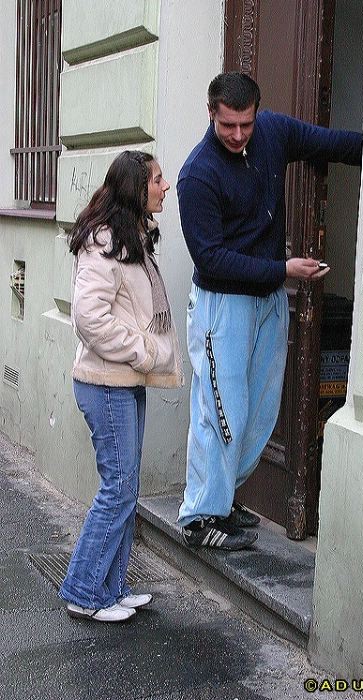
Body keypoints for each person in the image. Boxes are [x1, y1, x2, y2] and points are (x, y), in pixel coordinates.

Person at [177, 72, 363, 551]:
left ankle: (223, 499)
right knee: (222, 413)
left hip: (269, 300)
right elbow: (210, 258)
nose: (238, 135)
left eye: (246, 124)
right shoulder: (197, 174)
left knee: (259, 414)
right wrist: (283, 268)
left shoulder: (273, 132)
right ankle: (200, 516)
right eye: (228, 126)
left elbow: (329, 143)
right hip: (223, 305)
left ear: (257, 112)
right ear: (211, 113)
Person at [59, 151, 183, 622]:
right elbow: (89, 317)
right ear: (136, 187)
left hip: (124, 381)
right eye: (156, 179)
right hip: (107, 381)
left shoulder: (130, 237)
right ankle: (84, 593)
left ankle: (110, 587)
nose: (164, 185)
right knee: (118, 489)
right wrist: (145, 352)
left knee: (125, 488)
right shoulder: (104, 240)